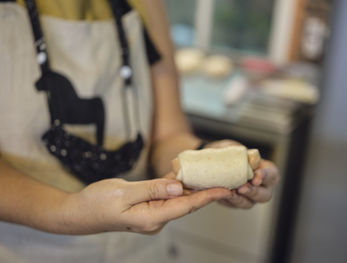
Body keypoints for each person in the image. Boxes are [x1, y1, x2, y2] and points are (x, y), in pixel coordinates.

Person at [0, 0, 279, 262]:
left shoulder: (145, 4)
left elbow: (167, 136)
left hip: (137, 251)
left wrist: (205, 156)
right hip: (28, 249)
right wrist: (70, 211)